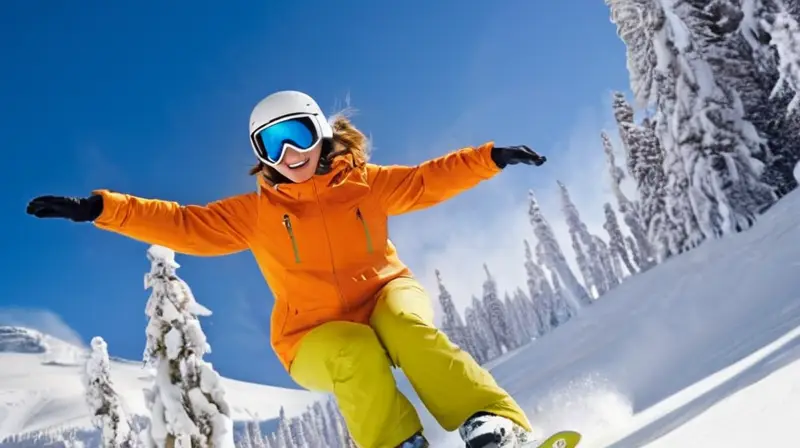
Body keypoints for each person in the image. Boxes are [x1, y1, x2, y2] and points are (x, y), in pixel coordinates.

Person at [26, 90, 547, 448]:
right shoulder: (254, 215)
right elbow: (184, 223)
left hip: (388, 292)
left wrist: (489, 157)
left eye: (297, 135)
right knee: (354, 351)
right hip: (309, 335)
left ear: (321, 131)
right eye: (272, 145)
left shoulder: (366, 183)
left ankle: (495, 423)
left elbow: (427, 179)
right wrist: (101, 208)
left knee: (406, 328)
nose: (290, 153)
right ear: (262, 157)